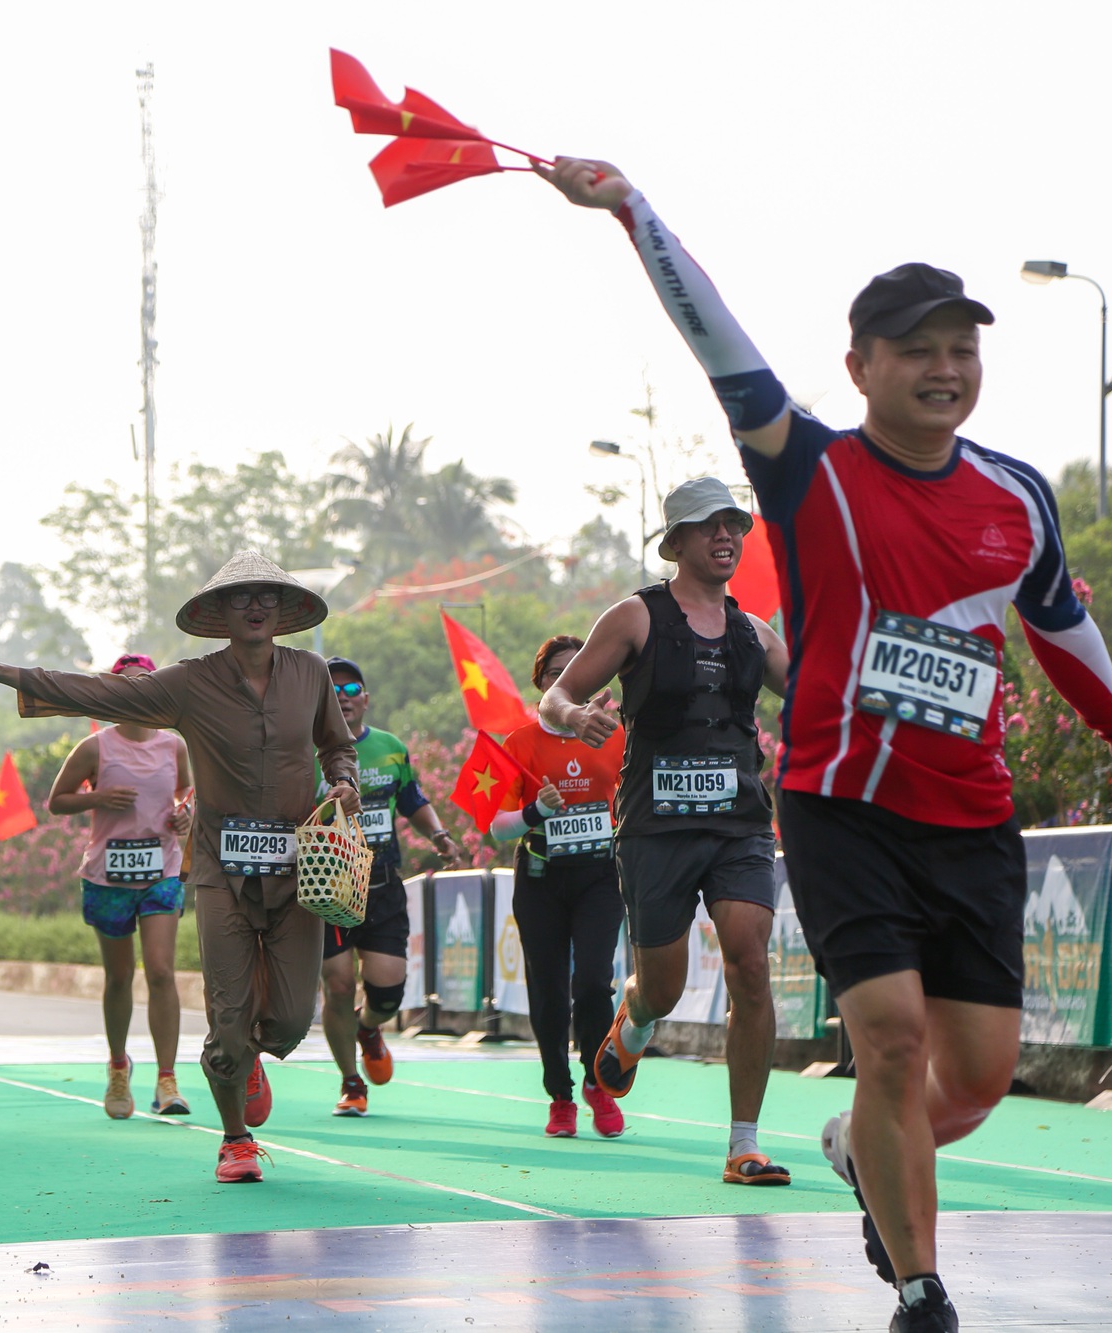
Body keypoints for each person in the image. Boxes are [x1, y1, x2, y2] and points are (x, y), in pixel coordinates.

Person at [538, 157, 1112, 1332]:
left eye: (960, 350)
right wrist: (633, 212)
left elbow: (1060, 625)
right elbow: (716, 339)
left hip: (972, 816)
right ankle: (921, 1290)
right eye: (914, 350)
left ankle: (849, 1147)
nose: (942, 370)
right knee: (886, 1039)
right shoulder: (809, 470)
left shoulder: (1017, 496)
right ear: (859, 369)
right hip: (840, 806)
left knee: (973, 1076)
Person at [0, 551, 361, 1183]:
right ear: (218, 612)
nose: (253, 606)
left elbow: (336, 745)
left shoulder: (309, 673)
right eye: (240, 597)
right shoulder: (189, 682)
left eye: (265, 597)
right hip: (220, 872)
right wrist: (3, 674)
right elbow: (100, 690)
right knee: (226, 1011)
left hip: (301, 868)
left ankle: (252, 1055)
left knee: (291, 1022)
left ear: (282, 610)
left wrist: (345, 782)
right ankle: (235, 1139)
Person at [540, 474, 792, 1187]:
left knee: (749, 958)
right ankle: (635, 1018)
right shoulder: (636, 617)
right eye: (710, 526)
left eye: (735, 527)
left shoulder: (754, 632)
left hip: (740, 823)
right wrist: (575, 716)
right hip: (657, 827)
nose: (726, 537)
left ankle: (744, 1144)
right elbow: (553, 697)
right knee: (666, 986)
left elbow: (816, 699)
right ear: (675, 540)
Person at [46, 654, 195, 1119]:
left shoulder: (174, 746)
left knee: (161, 971)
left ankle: (167, 1080)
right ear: (113, 693)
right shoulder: (96, 748)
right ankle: (117, 1066)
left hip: (162, 870)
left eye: (144, 686)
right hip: (108, 876)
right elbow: (57, 801)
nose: (136, 693)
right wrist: (97, 797)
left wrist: (184, 813)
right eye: (126, 686)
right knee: (119, 976)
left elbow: (187, 792)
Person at [492, 635, 628, 1139]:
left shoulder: (615, 736)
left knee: (593, 981)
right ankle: (560, 1095)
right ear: (543, 684)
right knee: (547, 992)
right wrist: (535, 812)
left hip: (599, 876)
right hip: (540, 877)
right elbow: (496, 825)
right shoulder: (521, 743)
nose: (565, 681)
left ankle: (597, 1082)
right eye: (555, 674)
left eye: (576, 671)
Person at [319, 656, 460, 1117]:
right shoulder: (304, 752)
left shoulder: (390, 748)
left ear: (365, 697)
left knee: (387, 995)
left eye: (350, 688)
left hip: (382, 885)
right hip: (329, 888)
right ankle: (351, 1081)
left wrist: (438, 834)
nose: (343, 696)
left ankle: (369, 1027)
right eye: (333, 689)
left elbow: (412, 801)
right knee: (338, 987)